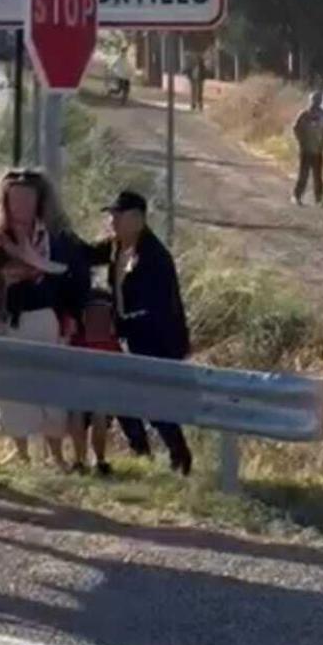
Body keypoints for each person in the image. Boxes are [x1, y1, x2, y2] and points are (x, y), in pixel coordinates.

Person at [0, 169, 91, 467]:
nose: (21, 207)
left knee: (49, 390)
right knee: (8, 391)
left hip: (43, 320)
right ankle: (21, 452)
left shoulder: (58, 240)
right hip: (5, 322)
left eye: (27, 200)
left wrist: (71, 314)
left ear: (40, 202)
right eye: (14, 200)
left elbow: (77, 279)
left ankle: (56, 455)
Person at [91, 190, 193, 476]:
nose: (112, 221)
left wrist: (121, 326)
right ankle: (141, 453)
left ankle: (180, 457)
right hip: (129, 337)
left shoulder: (155, 258)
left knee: (156, 405)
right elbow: (85, 254)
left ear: (137, 219)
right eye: (111, 215)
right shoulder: (116, 246)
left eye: (118, 216)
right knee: (120, 398)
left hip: (157, 340)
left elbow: (156, 308)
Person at [63, 291, 123, 475]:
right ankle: (99, 460)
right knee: (98, 415)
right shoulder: (110, 342)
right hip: (100, 383)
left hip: (80, 381)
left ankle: (80, 461)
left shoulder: (78, 339)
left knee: (79, 414)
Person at [291, 90, 323, 205]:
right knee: (303, 174)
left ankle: (319, 199)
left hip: (318, 149)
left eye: (317, 100)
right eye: (313, 100)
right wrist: (301, 140)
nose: (315, 103)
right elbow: (295, 128)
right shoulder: (304, 114)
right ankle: (297, 196)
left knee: (318, 176)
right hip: (305, 149)